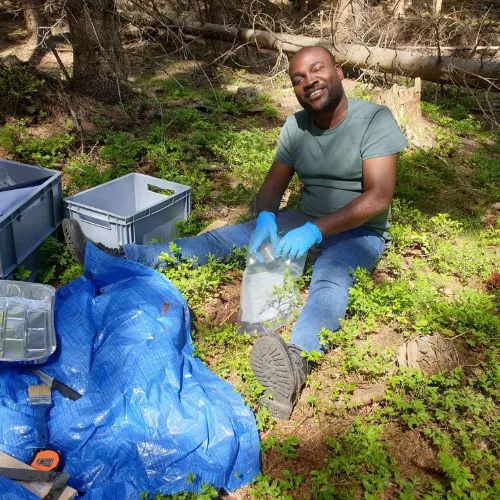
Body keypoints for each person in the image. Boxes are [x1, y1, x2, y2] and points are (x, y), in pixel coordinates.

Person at [63, 46, 408, 420]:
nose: (309, 81)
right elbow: (273, 187)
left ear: (338, 72)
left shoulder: (373, 119)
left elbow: (377, 197)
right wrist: (264, 219)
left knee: (331, 281)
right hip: (305, 217)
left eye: (317, 70)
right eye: (298, 78)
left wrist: (316, 230)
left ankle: (295, 363)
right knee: (221, 239)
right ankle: (121, 257)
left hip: (358, 231)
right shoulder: (296, 126)